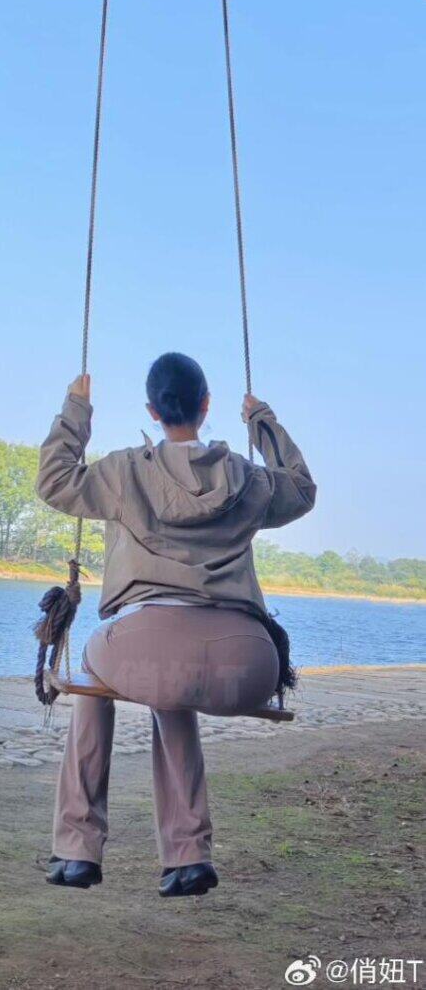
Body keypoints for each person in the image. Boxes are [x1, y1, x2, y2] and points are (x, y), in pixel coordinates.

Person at [36, 351, 315, 898]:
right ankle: (188, 857)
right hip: (248, 661)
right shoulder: (248, 479)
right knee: (169, 688)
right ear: (206, 405)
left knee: (101, 670)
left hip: (149, 648)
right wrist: (262, 423)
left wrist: (76, 409)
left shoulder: (125, 471)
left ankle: (77, 849)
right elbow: (301, 489)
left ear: (152, 410)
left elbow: (54, 481)